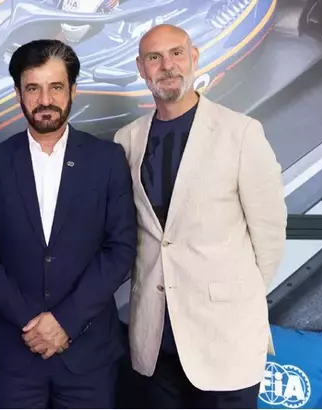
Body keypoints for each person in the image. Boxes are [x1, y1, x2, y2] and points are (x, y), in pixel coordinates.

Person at [113, 24, 287, 408]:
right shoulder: (126, 140)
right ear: (141, 68)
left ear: (194, 57)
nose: (167, 65)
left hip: (224, 339)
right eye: (154, 57)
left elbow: (270, 236)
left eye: (176, 53)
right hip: (155, 340)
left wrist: (233, 296)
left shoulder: (241, 132)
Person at [0, 39, 138, 408]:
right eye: (33, 88)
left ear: (73, 90)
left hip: (88, 354)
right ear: (18, 94)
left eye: (56, 86)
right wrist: (31, 322)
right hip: (15, 352)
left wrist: (65, 322)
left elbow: (120, 249)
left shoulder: (107, 160)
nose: (45, 99)